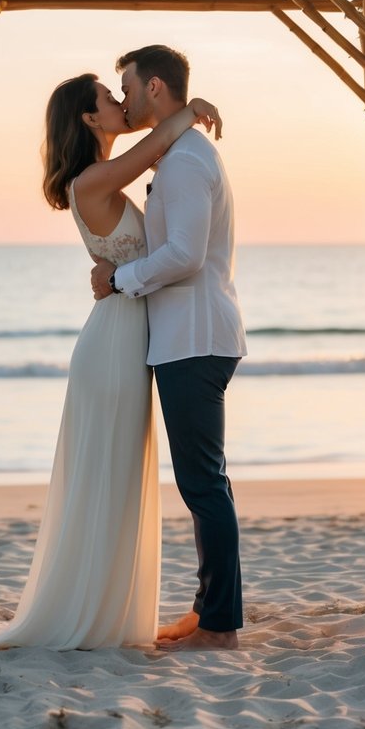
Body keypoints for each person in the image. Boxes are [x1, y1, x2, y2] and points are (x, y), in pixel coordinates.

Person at [0, 72, 221, 651]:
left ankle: (110, 611)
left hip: (125, 338)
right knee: (108, 480)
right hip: (112, 347)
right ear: (89, 119)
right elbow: (153, 146)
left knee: (117, 479)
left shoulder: (98, 178)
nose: (119, 102)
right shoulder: (92, 179)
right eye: (109, 99)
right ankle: (90, 614)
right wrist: (189, 111)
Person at [90, 45, 246, 652]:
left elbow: (184, 254)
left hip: (194, 340)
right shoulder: (183, 151)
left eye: (126, 86)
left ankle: (219, 626)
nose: (123, 98)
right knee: (206, 483)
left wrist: (119, 281)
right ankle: (212, 612)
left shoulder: (184, 162)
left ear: (155, 87)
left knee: (203, 484)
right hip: (190, 338)